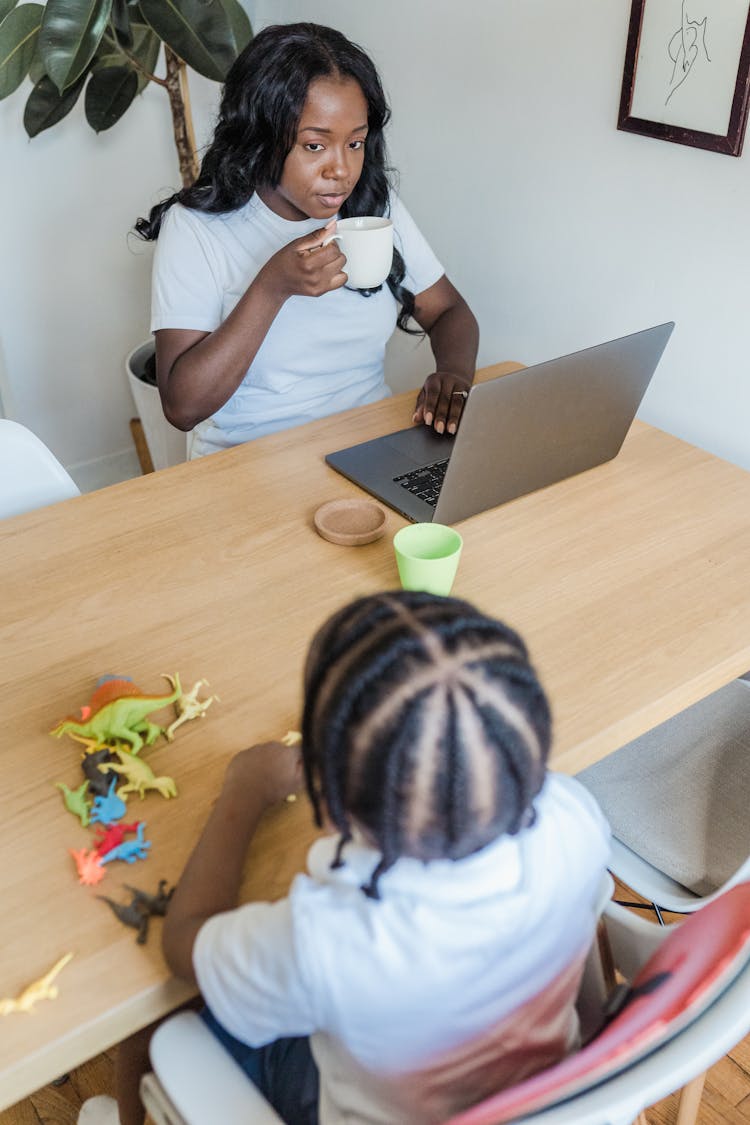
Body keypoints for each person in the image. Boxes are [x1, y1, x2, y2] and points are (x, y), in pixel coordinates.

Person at [151, 591, 610, 1125]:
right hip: (546, 1097)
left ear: (330, 807)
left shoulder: (329, 942)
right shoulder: (573, 815)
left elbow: (183, 944)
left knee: (167, 1021)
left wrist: (244, 791)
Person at [135, 23, 479, 459]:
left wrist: (453, 375)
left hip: (370, 450)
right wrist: (272, 287)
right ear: (261, 135)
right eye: (315, 146)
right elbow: (182, 407)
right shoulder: (198, 228)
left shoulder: (372, 205)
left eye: (355, 142)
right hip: (247, 464)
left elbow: (449, 310)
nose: (342, 170)